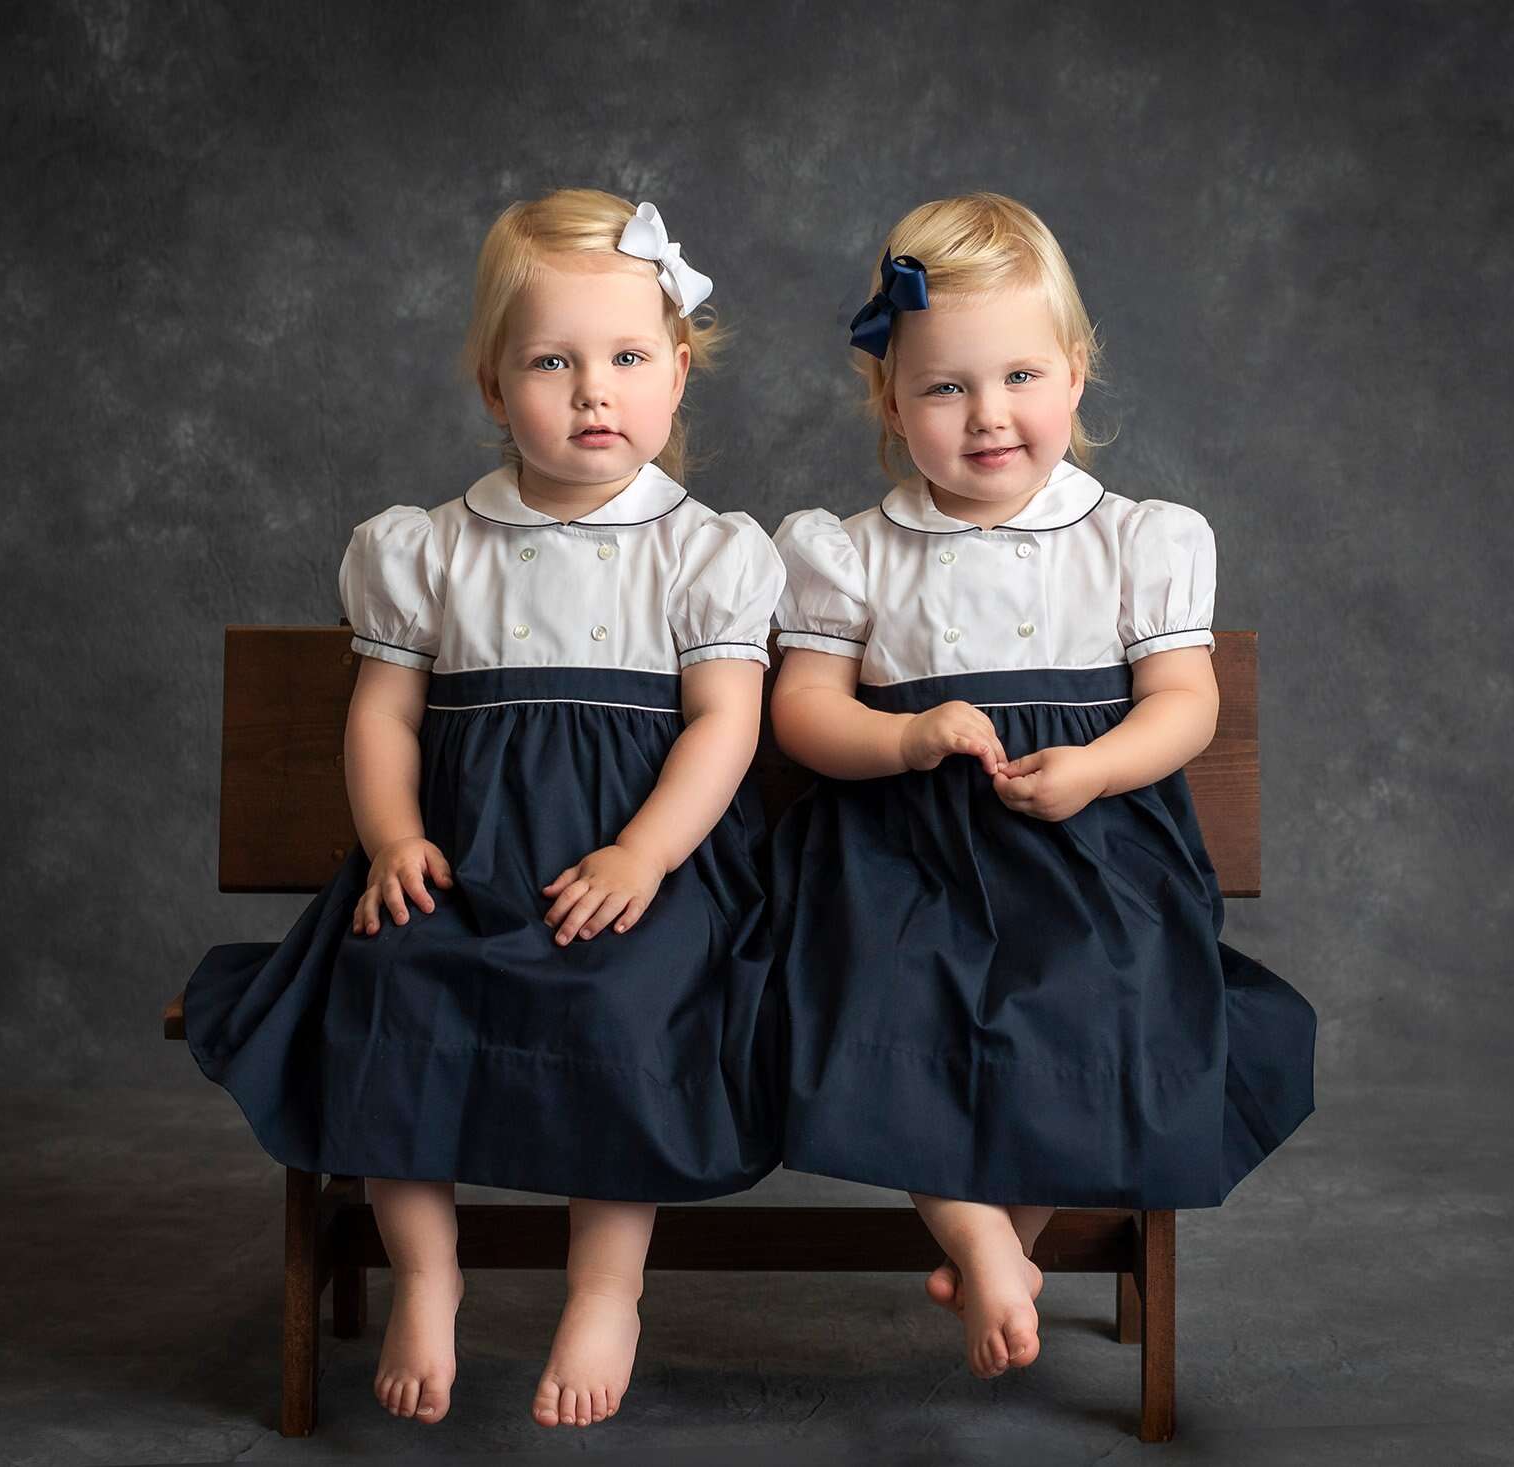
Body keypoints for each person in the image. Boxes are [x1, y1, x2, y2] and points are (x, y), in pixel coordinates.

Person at [183, 188, 785, 1430]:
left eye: (627, 359)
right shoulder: (429, 549)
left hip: (633, 869)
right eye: (551, 363)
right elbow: (382, 717)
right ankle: (427, 1272)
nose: (592, 393)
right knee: (391, 993)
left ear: (677, 373)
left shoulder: (704, 552)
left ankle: (606, 1288)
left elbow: (726, 724)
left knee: (627, 1012)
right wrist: (394, 839)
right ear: (493, 387)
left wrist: (643, 853)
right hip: (463, 857)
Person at [767, 192, 1317, 1381]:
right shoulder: (850, 550)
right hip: (905, 860)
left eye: (1019, 376)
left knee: (1106, 1006)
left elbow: (1185, 703)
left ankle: (999, 1242)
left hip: (1090, 853)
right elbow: (801, 711)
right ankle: (980, 1238)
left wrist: (1097, 766)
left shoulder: (1135, 540)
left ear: (1075, 372)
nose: (987, 415)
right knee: (891, 1012)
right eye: (944, 387)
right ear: (890, 401)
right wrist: (903, 739)